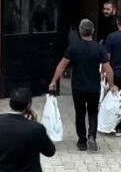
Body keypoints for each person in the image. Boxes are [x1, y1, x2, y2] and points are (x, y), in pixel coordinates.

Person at [48, 19, 116, 152]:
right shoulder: (99, 48)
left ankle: (82, 141)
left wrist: (54, 81)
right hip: (94, 87)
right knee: (93, 112)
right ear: (93, 31)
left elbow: (62, 65)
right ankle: (92, 136)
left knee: (80, 113)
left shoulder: (73, 47)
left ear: (80, 32)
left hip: (78, 87)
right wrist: (112, 85)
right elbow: (108, 69)